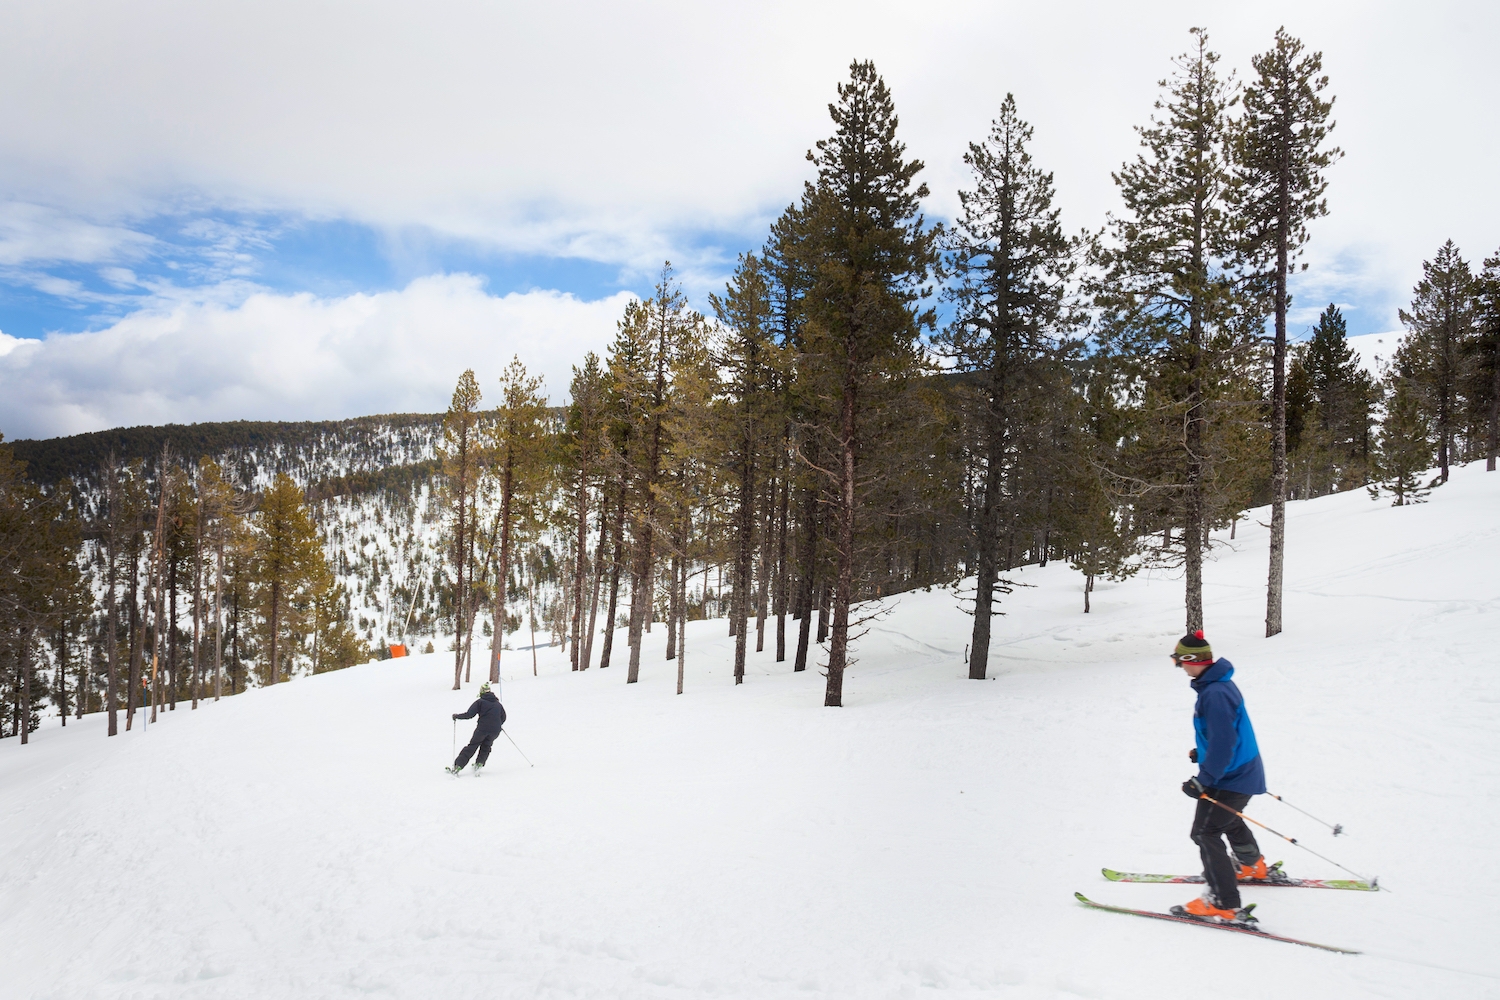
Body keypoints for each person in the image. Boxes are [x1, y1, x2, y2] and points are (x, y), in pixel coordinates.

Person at [1170, 630, 1268, 925]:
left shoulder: (1214, 694)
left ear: (1192, 660)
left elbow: (1226, 742)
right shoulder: (1219, 686)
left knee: (1205, 832)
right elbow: (1224, 736)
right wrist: (1203, 752)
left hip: (1231, 777)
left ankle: (1223, 902)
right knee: (1228, 818)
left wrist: (1206, 776)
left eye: (1179, 661)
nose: (1179, 667)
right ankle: (1251, 865)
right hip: (1240, 772)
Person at [448, 681, 506, 775]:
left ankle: (458, 765)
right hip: (495, 731)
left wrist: (457, 716)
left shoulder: (480, 702)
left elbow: (469, 714)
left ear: (481, 692)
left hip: (482, 729)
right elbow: (503, 717)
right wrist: (497, 724)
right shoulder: (498, 704)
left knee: (472, 746)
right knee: (486, 746)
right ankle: (479, 764)